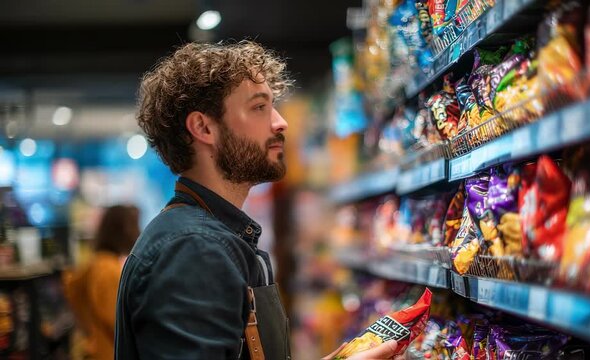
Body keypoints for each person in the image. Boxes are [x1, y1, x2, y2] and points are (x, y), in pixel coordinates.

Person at [114, 40, 400, 360]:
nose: (280, 122)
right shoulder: (193, 248)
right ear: (203, 127)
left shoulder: (207, 236)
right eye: (259, 107)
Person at [63, 205, 140, 360]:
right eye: (134, 224)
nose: (138, 231)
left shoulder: (99, 262)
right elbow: (117, 321)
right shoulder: (107, 268)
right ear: (122, 230)